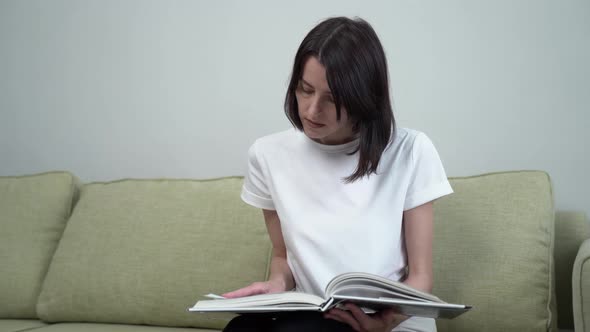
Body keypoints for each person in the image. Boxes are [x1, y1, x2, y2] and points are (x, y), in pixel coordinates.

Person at [222, 16, 453, 332]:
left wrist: (385, 322)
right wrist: (276, 283)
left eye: (332, 99)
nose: (312, 110)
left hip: (392, 325)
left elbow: (421, 277)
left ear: (364, 99)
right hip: (313, 318)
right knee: (242, 328)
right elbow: (282, 258)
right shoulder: (267, 155)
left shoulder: (410, 150)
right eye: (305, 90)